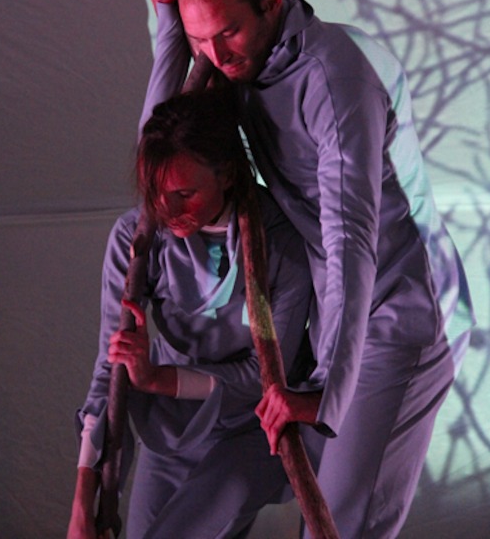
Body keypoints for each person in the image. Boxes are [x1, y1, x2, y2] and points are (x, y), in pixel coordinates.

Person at [148, 0, 476, 539]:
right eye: (200, 40)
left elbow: (351, 240)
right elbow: (164, 145)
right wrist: (168, 24)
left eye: (227, 31)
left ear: (271, 1)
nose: (214, 55)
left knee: (338, 525)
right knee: (211, 496)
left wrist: (330, 397)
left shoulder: (336, 79)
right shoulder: (239, 63)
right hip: (332, 321)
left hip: (397, 314)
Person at [66, 88, 312, 539]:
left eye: (185, 193)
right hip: (173, 426)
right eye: (155, 193)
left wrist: (157, 378)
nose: (168, 210)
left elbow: (267, 375)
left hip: (256, 426)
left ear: (228, 174)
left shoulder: (281, 244)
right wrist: (83, 502)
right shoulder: (137, 240)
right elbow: (110, 368)